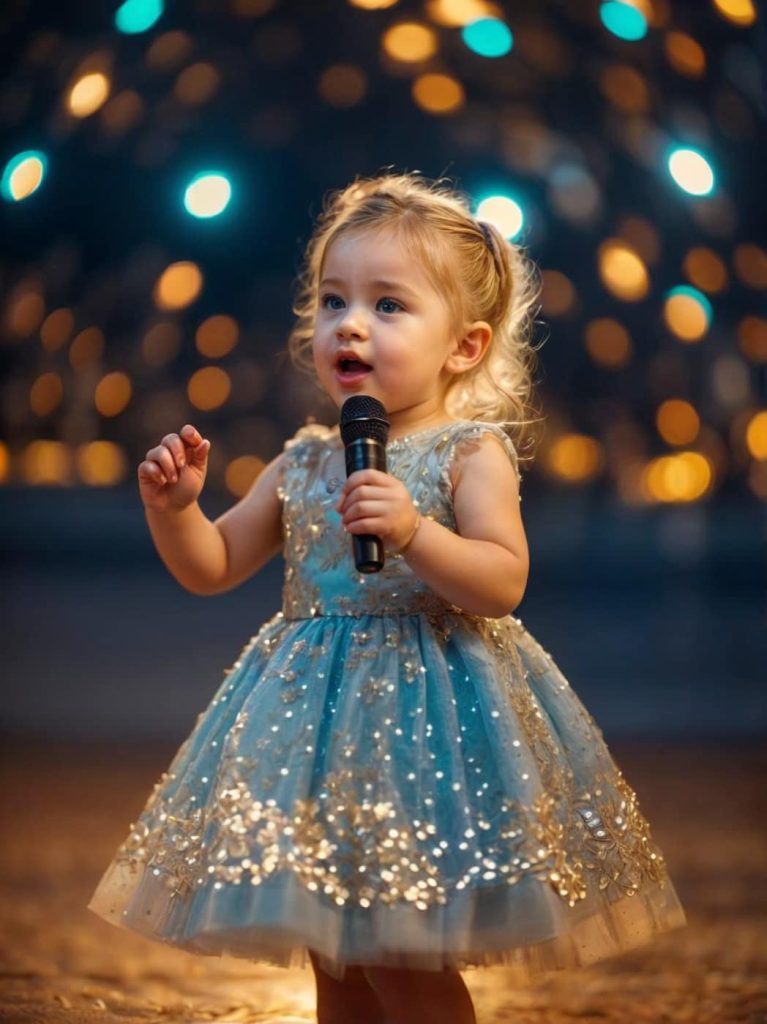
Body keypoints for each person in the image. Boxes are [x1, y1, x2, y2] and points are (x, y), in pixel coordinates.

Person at [87, 171, 687, 1024]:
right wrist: (175, 510)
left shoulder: (466, 453)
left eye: (388, 305)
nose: (351, 323)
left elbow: (502, 582)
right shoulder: (302, 460)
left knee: (401, 957)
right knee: (336, 963)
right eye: (334, 300)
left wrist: (415, 533)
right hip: (312, 743)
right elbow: (212, 565)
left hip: (429, 735)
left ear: (464, 347)